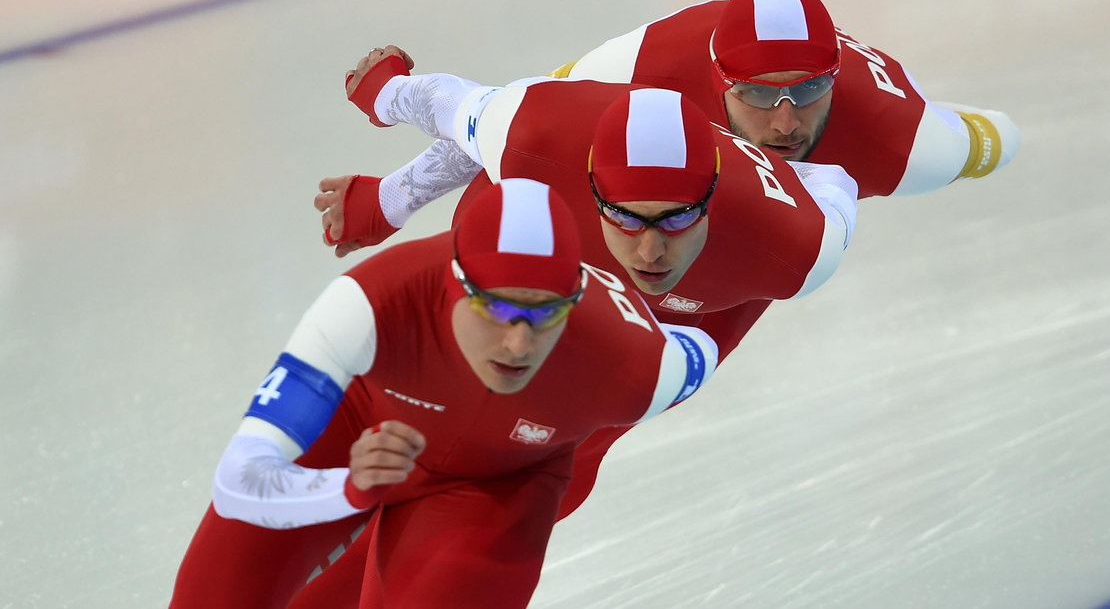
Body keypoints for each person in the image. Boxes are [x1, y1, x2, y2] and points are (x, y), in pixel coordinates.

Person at [321, 52, 857, 520]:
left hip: (672, 314)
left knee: (544, 461)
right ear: (589, 182)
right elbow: (444, 104)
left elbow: (836, 183)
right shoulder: (538, 130)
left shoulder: (795, 247)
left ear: (713, 201)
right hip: (542, 207)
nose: (649, 249)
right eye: (624, 215)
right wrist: (387, 184)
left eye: (676, 218)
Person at [170, 178, 718, 608]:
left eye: (546, 314)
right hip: (361, 428)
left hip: (499, 484)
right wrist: (350, 490)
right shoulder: (369, 303)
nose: (519, 342)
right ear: (453, 284)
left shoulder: (633, 364)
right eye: (497, 309)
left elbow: (698, 347)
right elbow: (240, 478)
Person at [319, 0, 1018, 258]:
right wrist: (394, 196)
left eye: (807, 93)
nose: (784, 123)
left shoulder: (909, 146)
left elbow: (997, 141)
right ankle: (398, 100)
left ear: (834, 78)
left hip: (897, 124)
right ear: (715, 78)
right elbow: (503, 119)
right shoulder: (650, 62)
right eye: (759, 94)